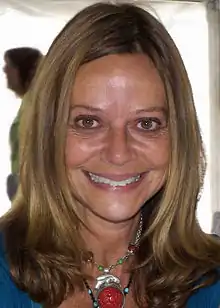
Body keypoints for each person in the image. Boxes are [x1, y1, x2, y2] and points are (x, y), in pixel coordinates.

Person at [0, 2, 220, 308]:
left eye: (146, 123)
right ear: (49, 135)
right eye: (88, 122)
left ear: (178, 138)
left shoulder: (211, 280)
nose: (119, 153)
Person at [3, 47, 43, 201]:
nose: (4, 70)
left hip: (30, 190)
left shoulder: (36, 104)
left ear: (22, 69)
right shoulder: (29, 101)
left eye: (9, 65)